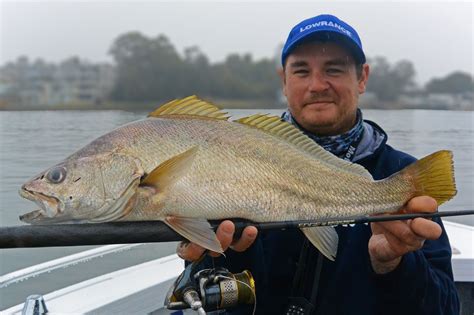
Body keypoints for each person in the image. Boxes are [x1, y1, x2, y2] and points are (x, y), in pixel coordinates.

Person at [177, 14, 459, 314]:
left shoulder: (404, 178)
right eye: (301, 70)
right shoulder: (229, 159)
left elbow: (447, 308)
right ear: (283, 81)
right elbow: (200, 301)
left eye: (333, 69)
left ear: (362, 77)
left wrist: (395, 263)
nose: (317, 85)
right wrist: (222, 258)